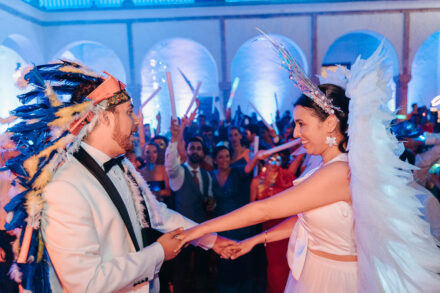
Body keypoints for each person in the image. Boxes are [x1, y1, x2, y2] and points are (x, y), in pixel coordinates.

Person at [175, 43, 440, 292]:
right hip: (313, 269)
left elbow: (263, 208)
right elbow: (307, 218)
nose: (294, 133)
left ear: (329, 123)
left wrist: (196, 231)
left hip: (333, 279)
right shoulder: (327, 166)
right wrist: (255, 241)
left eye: (301, 124)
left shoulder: (339, 171)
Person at [2, 61, 235, 292]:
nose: (136, 123)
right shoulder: (64, 186)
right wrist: (158, 253)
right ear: (104, 117)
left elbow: (156, 214)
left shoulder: (124, 167)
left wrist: (211, 239)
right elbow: (86, 284)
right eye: (128, 113)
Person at [164, 121, 216, 293]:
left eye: (198, 148)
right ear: (186, 151)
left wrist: (211, 203)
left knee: (201, 272)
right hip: (181, 232)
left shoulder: (207, 175)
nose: (195, 151)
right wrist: (174, 138)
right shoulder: (179, 173)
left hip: (201, 230)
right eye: (192, 148)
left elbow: (210, 200)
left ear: (203, 153)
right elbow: (170, 166)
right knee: (181, 272)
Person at [211, 145, 257, 292]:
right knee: (225, 259)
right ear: (215, 160)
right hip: (221, 223)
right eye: (221, 157)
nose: (225, 160)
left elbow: (249, 168)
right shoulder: (211, 175)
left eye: (227, 156)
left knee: (241, 257)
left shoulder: (236, 172)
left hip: (239, 223)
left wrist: (256, 157)